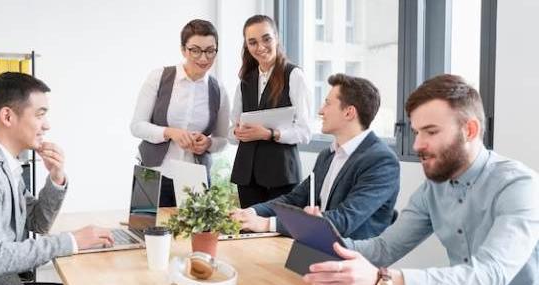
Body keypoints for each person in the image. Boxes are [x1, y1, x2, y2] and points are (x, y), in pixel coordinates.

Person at [303, 74, 539, 285]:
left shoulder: (518, 186)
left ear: (470, 130)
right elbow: (384, 248)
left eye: (431, 131)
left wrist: (382, 281)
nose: (417, 145)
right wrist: (323, 237)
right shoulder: (433, 189)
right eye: (416, 132)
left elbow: (489, 278)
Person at [0, 72, 114, 285]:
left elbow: (37, 221)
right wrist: (72, 241)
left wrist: (56, 177)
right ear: (8, 117)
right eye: (40, 115)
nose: (47, 125)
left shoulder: (2, 163)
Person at [232, 73, 400, 240]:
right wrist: (251, 212)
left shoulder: (381, 161)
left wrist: (267, 224)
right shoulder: (327, 155)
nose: (321, 111)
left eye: (327, 104)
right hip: (317, 247)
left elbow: (344, 220)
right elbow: (294, 199)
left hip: (352, 259)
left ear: (349, 113)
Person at [130, 19, 229, 207]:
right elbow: (137, 126)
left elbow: (223, 140)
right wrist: (169, 132)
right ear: (183, 49)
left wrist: (208, 143)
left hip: (195, 178)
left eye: (210, 50)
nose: (203, 58)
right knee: (144, 232)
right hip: (153, 172)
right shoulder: (159, 77)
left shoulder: (219, 90)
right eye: (195, 50)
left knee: (194, 235)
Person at [229, 15, 312, 208]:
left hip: (280, 175)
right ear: (247, 46)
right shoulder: (245, 81)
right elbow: (231, 130)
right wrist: (236, 132)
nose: (260, 47)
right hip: (247, 176)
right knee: (249, 234)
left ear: (276, 38)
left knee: (280, 234)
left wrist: (271, 134)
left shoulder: (294, 75)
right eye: (253, 42)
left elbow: (305, 132)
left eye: (266, 39)